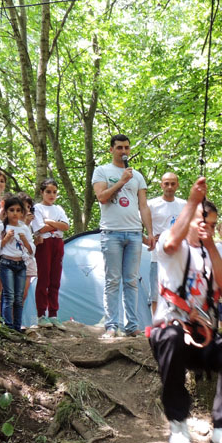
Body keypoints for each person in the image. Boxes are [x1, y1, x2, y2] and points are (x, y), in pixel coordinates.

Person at [148, 177, 222, 443]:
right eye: (202, 220)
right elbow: (169, 245)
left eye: (213, 224)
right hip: (169, 331)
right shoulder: (172, 246)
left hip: (202, 336)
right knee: (172, 335)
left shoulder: (214, 252)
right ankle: (178, 423)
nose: (207, 227)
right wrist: (193, 200)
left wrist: (212, 245)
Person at [92, 134, 154, 338]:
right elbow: (102, 197)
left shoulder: (137, 175)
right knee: (112, 280)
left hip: (135, 233)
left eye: (126, 147)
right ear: (111, 150)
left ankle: (132, 326)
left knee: (131, 280)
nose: (124, 151)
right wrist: (121, 181)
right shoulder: (102, 171)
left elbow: (143, 206)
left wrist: (150, 232)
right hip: (111, 232)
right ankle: (111, 325)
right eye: (119, 148)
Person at [0, 196, 34, 331]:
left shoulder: (25, 228)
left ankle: (17, 327)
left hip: (21, 265)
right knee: (9, 296)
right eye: (12, 210)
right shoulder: (1, 227)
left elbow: (31, 250)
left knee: (19, 298)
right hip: (6, 263)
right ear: (6, 212)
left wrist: (25, 241)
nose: (15, 213)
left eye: (18, 210)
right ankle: (8, 326)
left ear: (22, 213)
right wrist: (6, 238)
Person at [147, 172, 187, 316]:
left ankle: (179, 326)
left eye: (172, 183)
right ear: (161, 185)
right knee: (156, 295)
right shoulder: (151, 205)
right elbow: (135, 225)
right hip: (157, 258)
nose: (169, 187)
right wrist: (148, 240)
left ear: (177, 185)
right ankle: (157, 329)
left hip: (179, 258)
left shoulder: (184, 205)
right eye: (166, 183)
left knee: (179, 293)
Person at [32, 179, 70, 328]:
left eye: (54, 192)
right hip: (44, 244)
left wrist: (49, 222)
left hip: (58, 243)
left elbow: (65, 226)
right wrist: (56, 224)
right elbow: (40, 229)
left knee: (55, 279)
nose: (51, 195)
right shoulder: (37, 208)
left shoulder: (59, 208)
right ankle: (41, 314)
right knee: (44, 279)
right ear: (42, 192)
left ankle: (53, 314)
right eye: (48, 191)